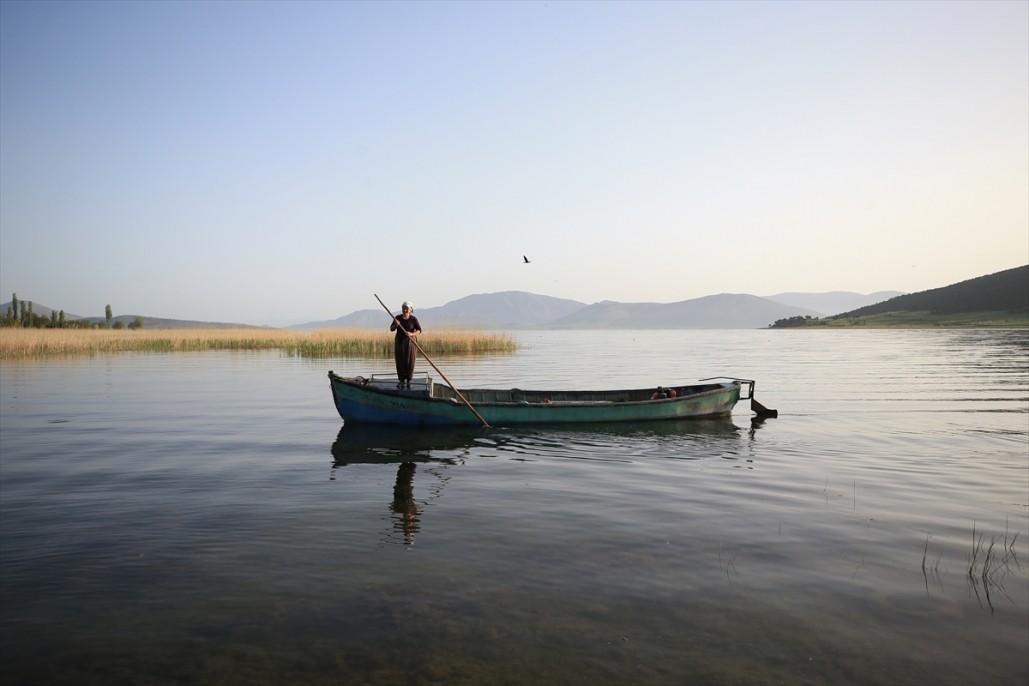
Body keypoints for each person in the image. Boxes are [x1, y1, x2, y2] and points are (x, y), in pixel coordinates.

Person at [390, 301, 422, 389]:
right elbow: (391, 329)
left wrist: (411, 334)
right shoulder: (397, 318)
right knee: (400, 360)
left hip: (411, 342)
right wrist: (396, 325)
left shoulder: (413, 319)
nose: (405, 310)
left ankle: (409, 380)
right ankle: (401, 380)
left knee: (410, 360)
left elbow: (419, 330)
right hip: (400, 342)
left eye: (407, 308)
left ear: (410, 309)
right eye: (403, 308)